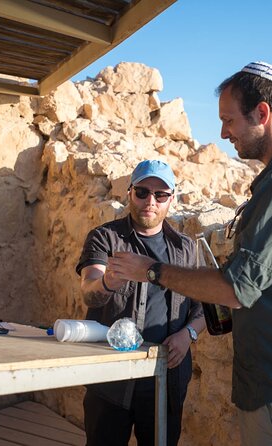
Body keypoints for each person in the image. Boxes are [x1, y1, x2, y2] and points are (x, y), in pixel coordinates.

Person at [107, 61, 272, 445]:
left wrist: (151, 270)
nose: (222, 133)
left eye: (229, 120)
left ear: (262, 113)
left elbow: (237, 288)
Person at [76, 159, 206, 446]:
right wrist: (109, 281)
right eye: (143, 192)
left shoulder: (185, 247)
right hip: (110, 378)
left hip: (165, 379)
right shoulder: (105, 238)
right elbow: (89, 292)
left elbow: (201, 309)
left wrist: (188, 335)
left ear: (171, 199)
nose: (151, 201)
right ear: (130, 193)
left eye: (160, 195)